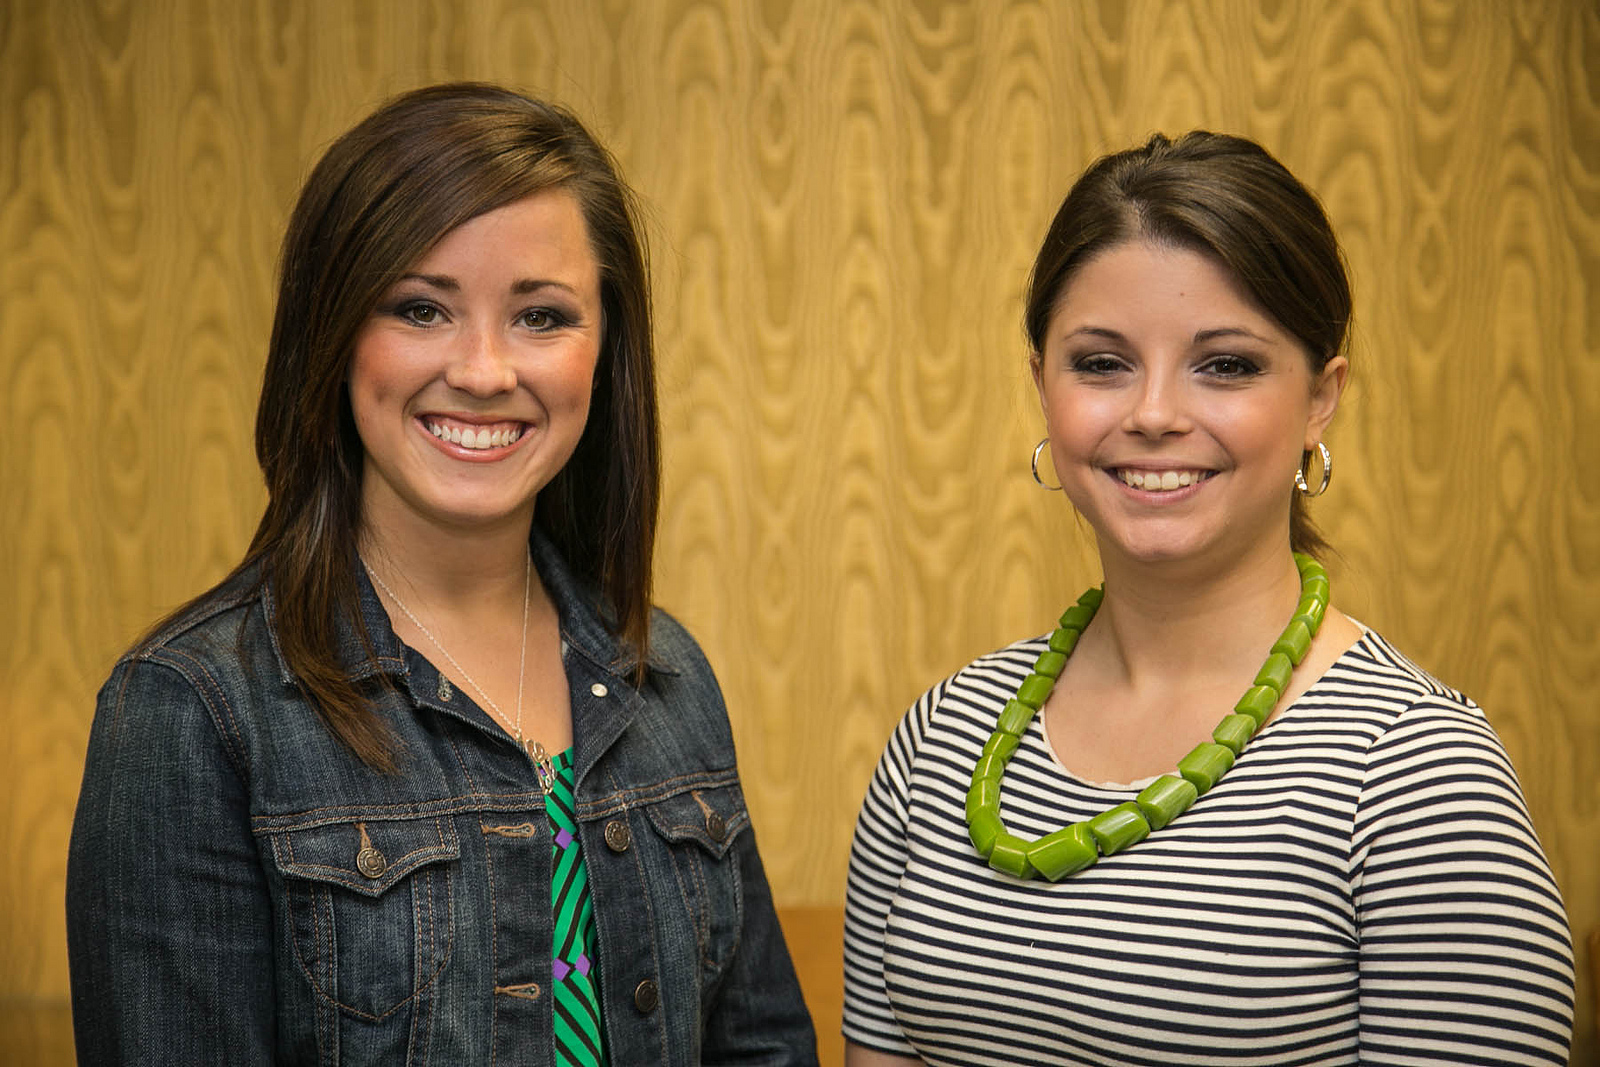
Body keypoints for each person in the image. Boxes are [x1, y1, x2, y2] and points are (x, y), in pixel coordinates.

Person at [67, 82, 817, 1066]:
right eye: (421, 308)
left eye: (541, 316)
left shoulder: (664, 674)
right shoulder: (192, 712)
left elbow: (762, 1046)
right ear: (333, 334)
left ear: (606, 351)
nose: (483, 370)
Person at [843, 132, 1575, 1065]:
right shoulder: (939, 743)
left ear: (1321, 398)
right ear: (1042, 387)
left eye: (1226, 364)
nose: (1153, 413)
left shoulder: (1418, 773)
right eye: (1100, 363)